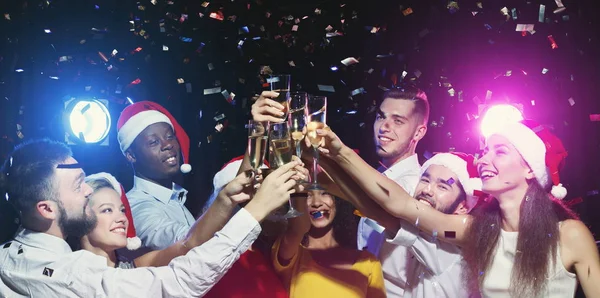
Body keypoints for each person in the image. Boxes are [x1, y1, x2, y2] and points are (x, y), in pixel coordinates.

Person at [315, 120, 600, 297]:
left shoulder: (569, 235)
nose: (485, 159)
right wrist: (338, 152)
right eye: (485, 151)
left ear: (530, 170)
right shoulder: (474, 230)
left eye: (500, 151)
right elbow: (398, 204)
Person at [0, 138, 303, 297]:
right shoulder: (72, 275)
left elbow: (188, 245)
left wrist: (224, 200)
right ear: (47, 209)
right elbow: (179, 281)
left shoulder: (8, 258)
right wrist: (255, 212)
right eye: (78, 184)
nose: (88, 190)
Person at [319, 151, 482, 297]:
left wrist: (337, 152)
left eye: (442, 186)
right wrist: (321, 175)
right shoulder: (425, 233)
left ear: (463, 207)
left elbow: (381, 207)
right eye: (425, 180)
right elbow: (371, 206)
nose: (428, 190)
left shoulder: (451, 246)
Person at [272, 189, 385, 298]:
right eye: (308, 195)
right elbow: (297, 229)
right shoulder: (291, 253)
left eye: (325, 193)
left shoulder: (368, 262)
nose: (316, 203)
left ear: (338, 200)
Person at [116, 101, 196, 251]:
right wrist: (224, 199)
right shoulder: (136, 207)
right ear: (131, 155)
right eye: (154, 142)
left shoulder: (174, 197)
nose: (168, 144)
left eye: (170, 137)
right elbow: (188, 241)